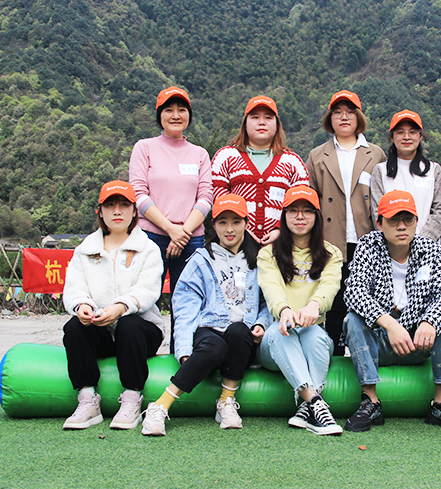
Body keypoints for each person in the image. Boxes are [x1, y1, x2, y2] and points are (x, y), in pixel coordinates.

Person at [343, 190, 441, 434]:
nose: (401, 226)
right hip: (381, 340)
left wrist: (430, 321)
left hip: (418, 341)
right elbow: (354, 292)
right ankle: (370, 400)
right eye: (393, 220)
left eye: (408, 219)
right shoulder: (368, 246)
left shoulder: (430, 249)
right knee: (352, 319)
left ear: (416, 221)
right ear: (380, 223)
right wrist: (390, 324)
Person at [141, 194, 269, 436]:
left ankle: (226, 401)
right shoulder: (201, 260)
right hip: (210, 331)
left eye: (236, 222)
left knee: (239, 330)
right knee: (214, 347)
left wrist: (262, 324)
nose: (229, 229)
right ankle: (160, 406)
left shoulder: (259, 261)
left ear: (246, 223)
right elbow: (184, 307)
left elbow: (268, 302)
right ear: (213, 225)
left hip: (243, 338)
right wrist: (184, 350)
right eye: (223, 222)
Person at [61, 181, 165, 430]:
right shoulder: (85, 250)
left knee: (129, 324)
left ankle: (131, 398)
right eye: (110, 205)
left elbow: (148, 290)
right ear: (100, 212)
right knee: (74, 327)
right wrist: (82, 306)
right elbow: (74, 287)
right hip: (102, 331)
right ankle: (87, 400)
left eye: (124, 205)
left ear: (134, 211)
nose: (117, 211)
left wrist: (121, 307)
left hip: (140, 332)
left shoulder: (148, 249)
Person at [129, 87, 213, 350]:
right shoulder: (145, 148)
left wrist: (183, 232)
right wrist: (170, 229)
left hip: (191, 239)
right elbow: (138, 194)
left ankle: (183, 355)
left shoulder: (199, 154)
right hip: (151, 237)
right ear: (160, 116)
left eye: (181, 110)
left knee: (187, 302)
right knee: (146, 299)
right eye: (169, 110)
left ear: (189, 115)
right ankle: (143, 354)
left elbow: (206, 197)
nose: (176, 115)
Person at [257, 186, 344, 435]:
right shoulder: (268, 254)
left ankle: (307, 409)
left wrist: (314, 306)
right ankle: (317, 403)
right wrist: (284, 311)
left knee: (314, 334)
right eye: (293, 210)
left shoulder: (331, 253)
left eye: (307, 211)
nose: (300, 216)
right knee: (281, 332)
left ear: (317, 216)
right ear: (284, 216)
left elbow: (329, 286)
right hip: (275, 343)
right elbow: (271, 288)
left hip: (312, 337)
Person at [306, 90, 386, 356]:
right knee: (335, 301)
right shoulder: (317, 155)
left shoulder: (376, 154)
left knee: (369, 300)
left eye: (350, 112)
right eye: (338, 112)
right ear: (330, 118)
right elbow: (311, 200)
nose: (344, 117)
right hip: (331, 239)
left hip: (366, 238)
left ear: (359, 117)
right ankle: (334, 355)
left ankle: (369, 356)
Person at [211, 95, 309, 247]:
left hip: (280, 245)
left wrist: (279, 229)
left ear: (277, 125)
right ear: (245, 124)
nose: (262, 122)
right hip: (236, 244)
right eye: (255, 117)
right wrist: (241, 229)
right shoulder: (226, 157)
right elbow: (218, 199)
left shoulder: (292, 161)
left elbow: (301, 202)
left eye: (268, 117)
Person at [370, 110, 441, 241]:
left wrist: (421, 242)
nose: (406, 137)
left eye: (412, 132)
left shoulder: (434, 170)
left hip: (427, 247)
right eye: (400, 132)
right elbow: (378, 212)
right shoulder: (380, 171)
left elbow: (440, 212)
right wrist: (396, 243)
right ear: (392, 137)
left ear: (420, 136)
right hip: (391, 247)